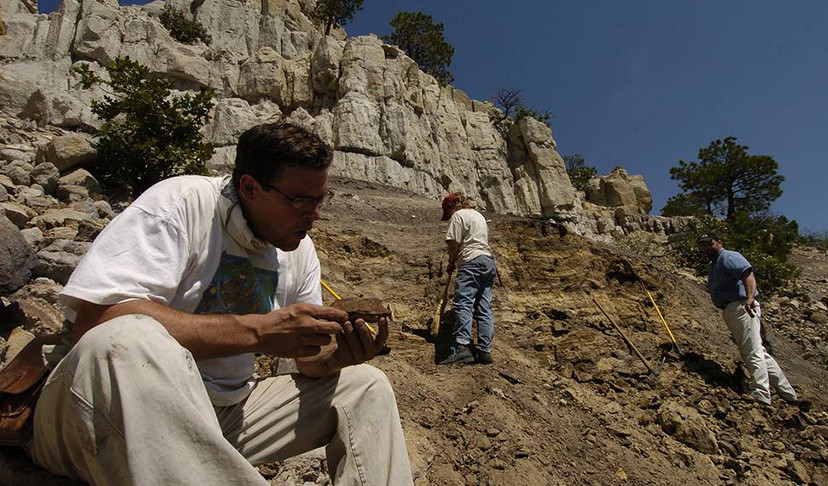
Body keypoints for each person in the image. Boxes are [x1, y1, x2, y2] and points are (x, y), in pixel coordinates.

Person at [28, 123, 414, 485]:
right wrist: (259, 332)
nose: (312, 214)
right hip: (97, 412)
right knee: (130, 338)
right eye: (299, 200)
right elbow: (95, 322)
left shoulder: (298, 250)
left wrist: (335, 355)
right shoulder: (180, 203)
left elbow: (309, 363)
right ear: (249, 188)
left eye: (319, 200)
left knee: (365, 386)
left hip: (219, 418)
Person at [697, 233, 799, 406]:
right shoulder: (714, 263)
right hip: (732, 308)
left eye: (710, 244)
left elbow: (747, 274)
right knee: (758, 351)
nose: (706, 248)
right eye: (703, 246)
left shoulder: (728, 256)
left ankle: (760, 393)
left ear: (719, 242)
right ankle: (788, 394)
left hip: (742, 305)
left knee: (751, 351)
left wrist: (750, 298)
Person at [437, 193, 496, 365]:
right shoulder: (479, 216)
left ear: (451, 207)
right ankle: (485, 351)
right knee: (484, 308)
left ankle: (462, 348)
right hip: (488, 261)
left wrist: (451, 261)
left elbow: (454, 243)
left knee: (463, 303)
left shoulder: (458, 215)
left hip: (471, 261)